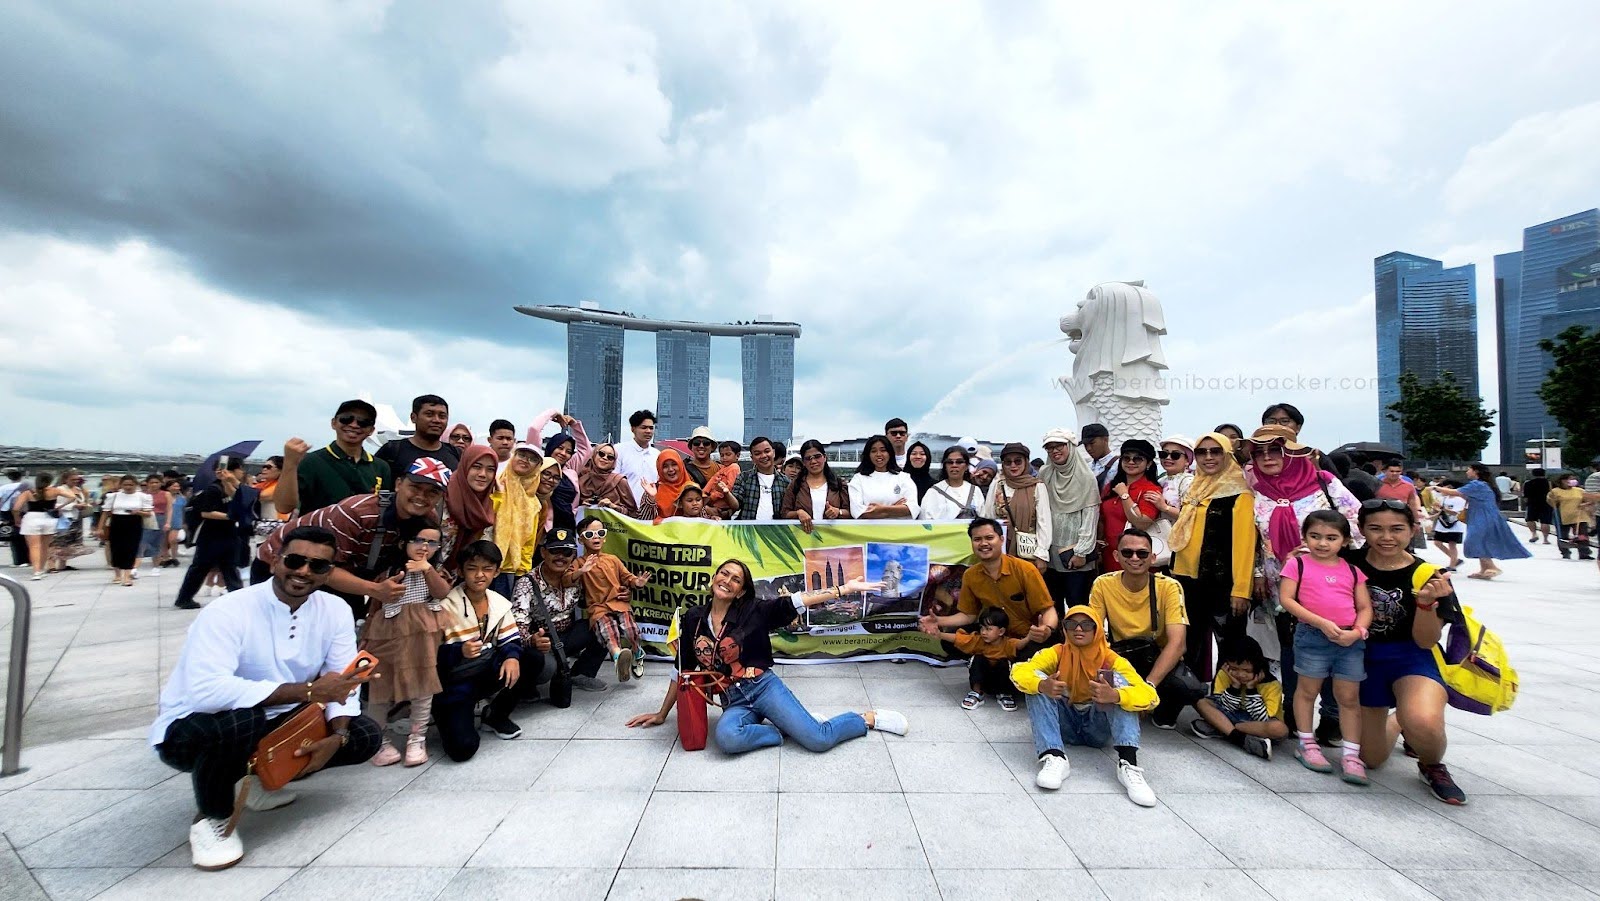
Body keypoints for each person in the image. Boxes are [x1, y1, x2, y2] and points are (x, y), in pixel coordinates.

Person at [150, 525, 381, 870]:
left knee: (365, 736)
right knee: (242, 718)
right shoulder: (229, 610)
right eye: (295, 560)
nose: (304, 571)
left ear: (329, 573)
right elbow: (207, 693)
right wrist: (307, 691)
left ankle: (254, 779)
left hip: (280, 721)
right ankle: (212, 817)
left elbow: (342, 681)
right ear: (275, 560)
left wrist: (339, 734)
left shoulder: (334, 610)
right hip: (192, 728)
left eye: (318, 566)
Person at [625, 559, 909, 751]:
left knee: (818, 740)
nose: (727, 580)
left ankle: (868, 718)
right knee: (726, 739)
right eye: (724, 573)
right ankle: (785, 728)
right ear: (714, 578)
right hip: (732, 698)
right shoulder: (693, 619)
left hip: (762, 687)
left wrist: (842, 590)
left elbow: (796, 601)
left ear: (741, 591)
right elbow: (682, 671)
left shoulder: (754, 611)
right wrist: (662, 714)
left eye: (736, 579)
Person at [1244, 424, 1360, 742]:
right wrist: (1256, 574)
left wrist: (1319, 548)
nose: (1266, 457)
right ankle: (1296, 714)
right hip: (1279, 587)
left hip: (1326, 585)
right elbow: (1254, 539)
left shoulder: (1322, 482)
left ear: (1291, 452)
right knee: (1292, 650)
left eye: (1275, 449)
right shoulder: (1255, 487)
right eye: (1259, 451)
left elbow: (1357, 522)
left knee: (1332, 650)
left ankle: (1332, 716)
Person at [1349, 501, 1467, 805]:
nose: (1386, 537)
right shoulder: (1346, 564)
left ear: (1413, 530)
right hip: (1362, 659)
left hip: (1412, 657)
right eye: (1375, 529)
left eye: (1397, 529)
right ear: (1361, 530)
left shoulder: (1430, 575)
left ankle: (1431, 764)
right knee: (1371, 758)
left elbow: (1426, 641)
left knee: (1424, 723)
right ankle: (1400, 720)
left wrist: (1427, 604)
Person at [256, 458, 450, 621]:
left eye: (432, 492)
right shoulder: (356, 512)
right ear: (398, 484)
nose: (421, 497)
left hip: (347, 570)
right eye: (415, 487)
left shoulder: (428, 519)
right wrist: (375, 589)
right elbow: (327, 570)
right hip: (284, 564)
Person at [1011, 603, 1158, 806]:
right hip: (1066, 722)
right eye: (1072, 624)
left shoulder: (1111, 658)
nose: (1078, 629)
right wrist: (1042, 684)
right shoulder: (1057, 652)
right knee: (1037, 681)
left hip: (1097, 724)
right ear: (1064, 629)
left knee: (1120, 683)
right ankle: (1053, 756)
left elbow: (1150, 695)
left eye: (1087, 625)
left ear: (1097, 629)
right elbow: (1018, 671)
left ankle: (1128, 764)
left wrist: (1115, 695)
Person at [1278, 510, 1374, 784]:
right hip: (1312, 636)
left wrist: (1357, 632)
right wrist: (1321, 623)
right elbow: (1288, 600)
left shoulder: (1353, 571)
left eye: (1331, 538)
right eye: (1315, 536)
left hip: (1349, 641)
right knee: (1307, 691)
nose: (1322, 543)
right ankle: (1306, 743)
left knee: (1348, 697)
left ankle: (1352, 754)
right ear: (1305, 537)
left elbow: (1365, 607)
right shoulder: (1297, 565)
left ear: (1344, 541)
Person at [920, 518, 1061, 692]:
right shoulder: (971, 575)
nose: (983, 543)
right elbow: (969, 615)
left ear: (1001, 540)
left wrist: (1045, 629)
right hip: (995, 636)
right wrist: (938, 622)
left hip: (1025, 638)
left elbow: (1047, 609)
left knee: (1040, 648)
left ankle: (1002, 668)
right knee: (950, 639)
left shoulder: (1025, 569)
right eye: (977, 539)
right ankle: (989, 663)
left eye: (989, 538)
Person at [434, 541, 540, 757]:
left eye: (487, 569)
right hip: (455, 683)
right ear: (461, 571)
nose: (479, 575)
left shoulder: (498, 602)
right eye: (472, 569)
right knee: (462, 749)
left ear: (496, 571)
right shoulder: (445, 605)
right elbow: (429, 657)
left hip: (484, 670)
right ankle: (446, 713)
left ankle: (496, 714)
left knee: (531, 658)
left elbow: (511, 640)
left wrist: (512, 657)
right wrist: (458, 651)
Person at [1167, 432, 1257, 681]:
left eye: (1215, 451)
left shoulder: (1239, 493)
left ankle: (1224, 700)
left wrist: (1241, 590)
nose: (1208, 457)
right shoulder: (1196, 487)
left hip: (1222, 582)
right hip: (1188, 580)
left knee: (1229, 645)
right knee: (1190, 641)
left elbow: (1244, 545)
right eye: (1202, 452)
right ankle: (1194, 696)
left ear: (1227, 455)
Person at [362, 518, 450, 767]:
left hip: (423, 629)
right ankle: (379, 740)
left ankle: (417, 737)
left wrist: (426, 568)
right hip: (387, 628)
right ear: (404, 543)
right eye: (419, 540)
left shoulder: (435, 570)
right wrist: (367, 636)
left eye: (432, 542)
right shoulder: (390, 570)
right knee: (380, 685)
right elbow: (376, 603)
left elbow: (441, 592)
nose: (425, 546)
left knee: (424, 683)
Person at [1088, 528, 1196, 728]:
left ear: (1153, 558)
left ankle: (1160, 710)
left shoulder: (1169, 587)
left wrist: (1147, 688)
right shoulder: (1103, 584)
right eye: (1127, 552)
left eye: (1142, 553)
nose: (1135, 558)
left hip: (1155, 659)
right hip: (1120, 657)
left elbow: (1178, 643)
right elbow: (1092, 635)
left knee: (1187, 688)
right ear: (1116, 556)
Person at [515, 527, 610, 693]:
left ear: (573, 555)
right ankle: (525, 686)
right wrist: (532, 640)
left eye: (566, 552)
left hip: (568, 635)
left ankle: (581, 674)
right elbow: (517, 627)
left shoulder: (578, 576)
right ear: (543, 553)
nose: (560, 557)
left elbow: (594, 601)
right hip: (542, 641)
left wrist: (621, 594)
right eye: (554, 551)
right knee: (543, 665)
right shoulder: (526, 583)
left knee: (608, 624)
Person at [272, 400, 389, 517]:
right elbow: (283, 507)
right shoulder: (311, 461)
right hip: (317, 533)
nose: (354, 425)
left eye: (363, 422)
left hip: (362, 534)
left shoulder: (380, 467)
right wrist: (289, 464)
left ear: (371, 430)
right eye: (346, 418)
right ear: (334, 423)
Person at [576, 514, 652, 682]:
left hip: (619, 603)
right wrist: (581, 571)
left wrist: (637, 582)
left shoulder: (613, 560)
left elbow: (627, 578)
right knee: (609, 631)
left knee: (632, 630)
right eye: (589, 535)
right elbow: (567, 579)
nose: (595, 537)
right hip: (598, 608)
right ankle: (618, 657)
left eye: (600, 533)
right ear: (581, 540)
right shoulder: (579, 563)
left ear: (604, 537)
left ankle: (637, 652)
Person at [1190, 637, 1286, 760]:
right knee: (1202, 702)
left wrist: (1251, 690)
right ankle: (1240, 738)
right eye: (1234, 669)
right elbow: (1223, 706)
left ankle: (1223, 729)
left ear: (1258, 667)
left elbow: (1263, 718)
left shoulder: (1272, 685)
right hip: (1231, 715)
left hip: (1255, 724)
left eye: (1247, 670)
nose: (1240, 674)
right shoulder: (1225, 674)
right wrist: (1234, 687)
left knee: (1279, 728)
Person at [1037, 429, 1101, 609]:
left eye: (1059, 445)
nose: (1055, 451)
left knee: (1077, 605)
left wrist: (1081, 552)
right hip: (1049, 554)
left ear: (1071, 447)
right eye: (1050, 448)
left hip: (1074, 556)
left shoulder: (1086, 477)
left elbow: (1090, 518)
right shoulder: (1045, 474)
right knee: (1051, 605)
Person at [1433, 464, 1532, 580]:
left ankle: (1492, 567)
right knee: (1481, 540)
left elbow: (1456, 492)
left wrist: (1436, 488)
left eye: (1469, 470)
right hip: (1482, 515)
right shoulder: (1482, 485)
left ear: (1476, 471)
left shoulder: (1477, 484)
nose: (1467, 472)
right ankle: (1484, 569)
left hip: (1483, 516)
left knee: (1475, 540)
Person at [174, 460, 248, 609]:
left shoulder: (231, 488)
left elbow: (242, 502)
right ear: (233, 470)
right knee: (200, 568)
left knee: (230, 568)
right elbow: (206, 512)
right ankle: (184, 598)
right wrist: (230, 516)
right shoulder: (213, 489)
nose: (242, 472)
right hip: (211, 536)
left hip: (229, 534)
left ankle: (239, 598)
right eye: (241, 469)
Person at [919, 606, 1024, 710]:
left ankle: (1005, 694)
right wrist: (940, 634)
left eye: (988, 629)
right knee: (977, 659)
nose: (983, 632)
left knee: (1005, 664)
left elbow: (1020, 645)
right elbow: (959, 639)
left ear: (1001, 631)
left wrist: (1030, 636)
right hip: (983, 681)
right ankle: (976, 692)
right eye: (982, 628)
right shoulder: (978, 640)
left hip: (1000, 681)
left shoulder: (1008, 643)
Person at [982, 442, 1050, 566]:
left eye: (1018, 461)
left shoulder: (1037, 486)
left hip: (1029, 552)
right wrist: (999, 523)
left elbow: (1044, 523)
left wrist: (1042, 554)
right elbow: (987, 516)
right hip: (1000, 549)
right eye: (1008, 462)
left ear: (1026, 462)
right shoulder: (998, 484)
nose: (1013, 466)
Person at [1098, 439, 1161, 572]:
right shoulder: (1112, 487)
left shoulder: (1151, 489)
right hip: (1110, 555)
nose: (1131, 462)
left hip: (1136, 558)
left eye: (1137, 459)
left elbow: (1142, 523)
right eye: (1126, 458)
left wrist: (1125, 496)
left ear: (1148, 463)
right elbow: (1102, 518)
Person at [491, 442, 544, 597]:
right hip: (486, 562)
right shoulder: (495, 483)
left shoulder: (533, 502)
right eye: (521, 455)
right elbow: (486, 517)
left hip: (511, 569)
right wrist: (499, 495)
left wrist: (523, 572)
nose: (525, 460)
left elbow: (528, 542)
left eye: (532, 459)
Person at [527, 409, 593, 531]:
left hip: (567, 530)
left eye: (569, 452)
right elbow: (534, 429)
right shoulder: (536, 463)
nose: (563, 453)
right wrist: (554, 413)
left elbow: (587, 450)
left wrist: (574, 424)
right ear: (551, 446)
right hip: (538, 528)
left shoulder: (570, 469)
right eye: (560, 448)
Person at [439, 444, 497, 581]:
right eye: (476, 466)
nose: (483, 474)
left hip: (453, 580)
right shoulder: (441, 497)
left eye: (490, 469)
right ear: (465, 466)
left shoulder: (486, 506)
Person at [376, 394, 459, 488]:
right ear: (413, 417)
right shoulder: (391, 451)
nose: (436, 420)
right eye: (429, 414)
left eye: (442, 416)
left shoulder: (456, 454)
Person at [781, 439, 851, 532]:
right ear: (804, 462)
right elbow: (784, 513)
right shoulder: (795, 485)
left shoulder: (838, 484)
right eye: (808, 458)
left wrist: (838, 512)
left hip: (833, 538)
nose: (813, 461)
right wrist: (798, 513)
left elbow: (850, 512)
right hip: (803, 537)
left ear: (825, 457)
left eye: (817, 456)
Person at [98, 475, 152, 586]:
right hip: (117, 521)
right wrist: (100, 528)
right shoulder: (113, 496)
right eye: (125, 485)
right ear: (121, 485)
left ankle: (127, 575)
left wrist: (138, 512)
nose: (128, 487)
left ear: (135, 485)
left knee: (131, 548)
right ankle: (117, 574)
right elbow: (105, 513)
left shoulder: (143, 496)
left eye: (131, 485)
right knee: (116, 548)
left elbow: (148, 513)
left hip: (134, 522)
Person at [847, 436, 918, 519]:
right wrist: (894, 509)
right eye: (873, 451)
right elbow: (859, 512)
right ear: (868, 454)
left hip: (900, 530)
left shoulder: (903, 478)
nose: (878, 454)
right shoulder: (858, 479)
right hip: (868, 531)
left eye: (883, 450)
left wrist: (882, 509)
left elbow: (912, 508)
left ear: (890, 453)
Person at [729, 436, 791, 521]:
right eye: (757, 453)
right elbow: (736, 505)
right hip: (748, 531)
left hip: (776, 532)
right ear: (752, 458)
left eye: (767, 451)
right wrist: (725, 493)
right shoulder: (744, 478)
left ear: (773, 453)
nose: (763, 456)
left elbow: (788, 509)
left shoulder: (785, 482)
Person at [918, 446, 986, 521]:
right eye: (950, 462)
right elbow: (925, 521)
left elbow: (982, 518)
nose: (954, 465)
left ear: (966, 466)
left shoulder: (975, 491)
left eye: (959, 462)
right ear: (945, 466)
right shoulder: (934, 492)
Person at [16, 473, 63, 581]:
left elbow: (16, 508)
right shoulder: (54, 491)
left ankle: (36, 571)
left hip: (32, 518)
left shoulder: (28, 492)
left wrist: (16, 518)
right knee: (45, 546)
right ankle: (41, 569)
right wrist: (59, 507)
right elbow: (72, 497)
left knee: (34, 547)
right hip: (49, 519)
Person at [614, 409, 662, 507]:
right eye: (643, 427)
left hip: (651, 510)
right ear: (633, 429)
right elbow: (613, 481)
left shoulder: (657, 455)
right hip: (624, 510)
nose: (648, 431)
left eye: (651, 428)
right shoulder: (619, 450)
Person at [578, 444, 640, 518]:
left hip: (613, 528)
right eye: (601, 454)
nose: (605, 458)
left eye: (610, 457)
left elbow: (633, 513)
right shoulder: (582, 480)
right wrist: (582, 505)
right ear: (594, 455)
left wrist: (613, 506)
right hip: (585, 527)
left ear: (614, 462)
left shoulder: (619, 481)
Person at [1376, 459, 1424, 543]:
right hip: (1381, 519)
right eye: (1392, 471)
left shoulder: (1408, 486)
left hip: (1401, 519)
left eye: (1397, 471)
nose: (1394, 474)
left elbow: (1413, 505)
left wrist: (1416, 522)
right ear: (1385, 471)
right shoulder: (1377, 484)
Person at [1547, 473, 1593, 561]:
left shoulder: (1580, 490)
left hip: (1580, 516)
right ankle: (1565, 552)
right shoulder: (1555, 491)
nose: (1572, 481)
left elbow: (1590, 500)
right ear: (1562, 481)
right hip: (1563, 516)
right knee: (1563, 536)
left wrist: (1585, 504)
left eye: (1573, 479)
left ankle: (1584, 552)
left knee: (1582, 535)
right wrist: (1552, 498)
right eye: (1569, 479)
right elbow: (1551, 503)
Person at [1153, 435, 1195, 523]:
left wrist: (1165, 507)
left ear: (1187, 460)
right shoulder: (1160, 481)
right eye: (1164, 454)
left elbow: (1192, 515)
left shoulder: (1189, 481)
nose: (1168, 458)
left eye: (1175, 455)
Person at [1429, 479, 1467, 570]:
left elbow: (1456, 513)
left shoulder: (1459, 499)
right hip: (1443, 523)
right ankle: (1455, 559)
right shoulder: (1443, 498)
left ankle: (1452, 565)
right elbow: (1441, 512)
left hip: (1455, 524)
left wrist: (1442, 508)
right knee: (1437, 542)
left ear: (1450, 487)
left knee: (1452, 544)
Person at [648, 448, 691, 523]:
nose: (670, 469)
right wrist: (651, 500)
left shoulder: (692, 489)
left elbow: (702, 516)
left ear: (681, 465)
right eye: (665, 466)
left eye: (674, 464)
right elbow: (642, 520)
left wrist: (713, 519)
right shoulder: (653, 490)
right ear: (659, 469)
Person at [0, 469, 30, 569]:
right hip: (23, 512)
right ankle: (28, 559)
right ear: (21, 476)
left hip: (6, 513)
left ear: (9, 478)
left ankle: (17, 560)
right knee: (25, 536)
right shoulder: (26, 487)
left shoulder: (3, 488)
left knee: (12, 537)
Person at [706, 440, 742, 517]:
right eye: (722, 455)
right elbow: (713, 480)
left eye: (728, 454)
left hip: (723, 505)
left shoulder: (734, 468)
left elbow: (730, 487)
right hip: (717, 503)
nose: (724, 458)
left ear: (737, 455)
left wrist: (712, 497)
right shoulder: (724, 468)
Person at [1522, 468, 1554, 544]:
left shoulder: (1528, 483)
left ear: (1533, 474)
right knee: (1545, 521)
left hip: (1532, 503)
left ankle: (1534, 534)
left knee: (1530, 519)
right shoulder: (1549, 483)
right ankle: (1545, 539)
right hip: (1546, 503)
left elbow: (1525, 496)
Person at [1081, 423, 1116, 489]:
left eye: (1092, 443)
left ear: (1105, 440)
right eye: (1085, 445)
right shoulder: (1086, 467)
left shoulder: (1119, 465)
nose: (1088, 448)